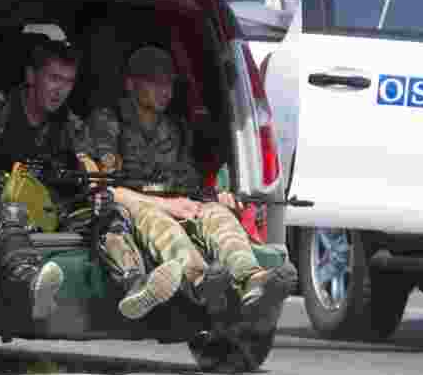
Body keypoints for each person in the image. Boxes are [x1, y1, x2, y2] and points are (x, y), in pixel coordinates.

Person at [85, 45, 297, 333]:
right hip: (129, 212)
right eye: (154, 82)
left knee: (215, 214)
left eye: (168, 82)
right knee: (155, 218)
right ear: (131, 84)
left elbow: (189, 183)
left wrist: (214, 198)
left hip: (174, 203)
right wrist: (166, 205)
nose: (164, 90)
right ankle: (200, 281)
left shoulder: (175, 129)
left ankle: (252, 279)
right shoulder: (108, 123)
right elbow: (105, 190)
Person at [0, 39, 91, 322]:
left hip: (48, 213)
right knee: (12, 211)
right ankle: (30, 283)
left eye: (68, 81)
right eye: (54, 78)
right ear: (31, 76)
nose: (60, 89)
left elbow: (90, 170)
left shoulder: (70, 125)